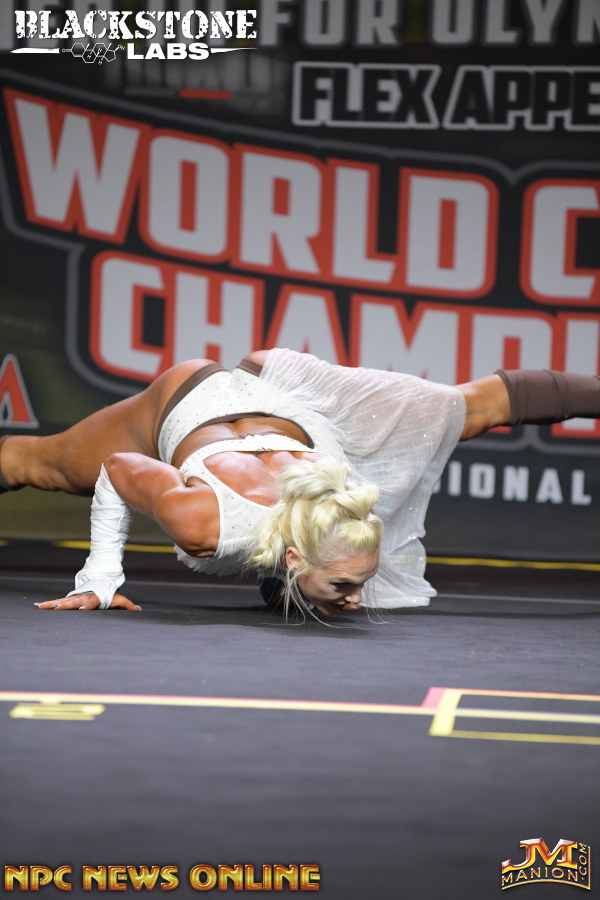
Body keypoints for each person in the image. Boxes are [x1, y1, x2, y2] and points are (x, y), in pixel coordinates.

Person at [0, 349, 598, 616]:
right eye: (344, 584)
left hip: (286, 396)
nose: (356, 599)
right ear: (291, 555)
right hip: (182, 398)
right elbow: (117, 469)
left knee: (466, 408)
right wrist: (100, 579)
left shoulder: (344, 504)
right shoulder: (204, 522)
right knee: (33, 465)